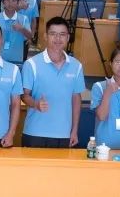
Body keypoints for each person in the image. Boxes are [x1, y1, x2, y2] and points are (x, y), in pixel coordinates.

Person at [21, 17, 86, 148]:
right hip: (35, 133)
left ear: (68, 38)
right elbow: (24, 95)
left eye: (62, 34)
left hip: (64, 134)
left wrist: (74, 130)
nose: (57, 39)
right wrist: (36, 104)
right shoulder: (31, 64)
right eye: (53, 34)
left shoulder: (76, 66)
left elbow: (76, 99)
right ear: (45, 36)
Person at [0, 0, 34, 64]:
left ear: (18, 3)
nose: (10, 3)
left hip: (17, 58)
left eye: (13, 0)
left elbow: (30, 36)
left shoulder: (24, 19)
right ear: (3, 3)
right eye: (8, 0)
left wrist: (22, 29)